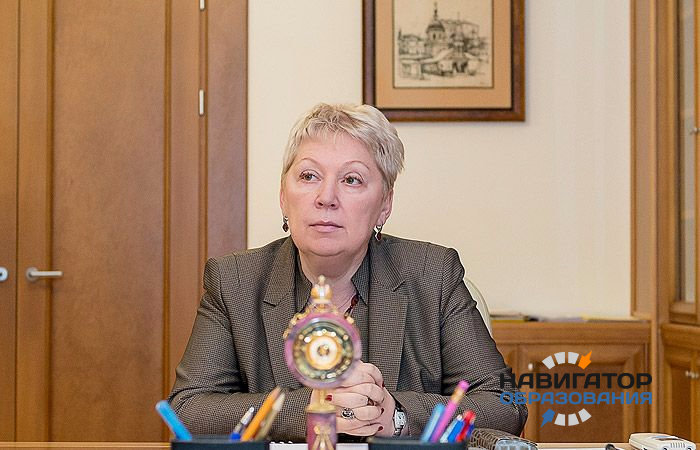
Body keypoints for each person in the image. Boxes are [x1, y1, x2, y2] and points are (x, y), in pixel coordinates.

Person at [168, 103, 527, 441]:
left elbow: (504, 404)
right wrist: (310, 409)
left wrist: (395, 415)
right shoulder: (234, 280)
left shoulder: (432, 274)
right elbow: (188, 410)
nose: (326, 197)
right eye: (309, 175)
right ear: (283, 197)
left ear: (384, 204)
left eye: (352, 180)